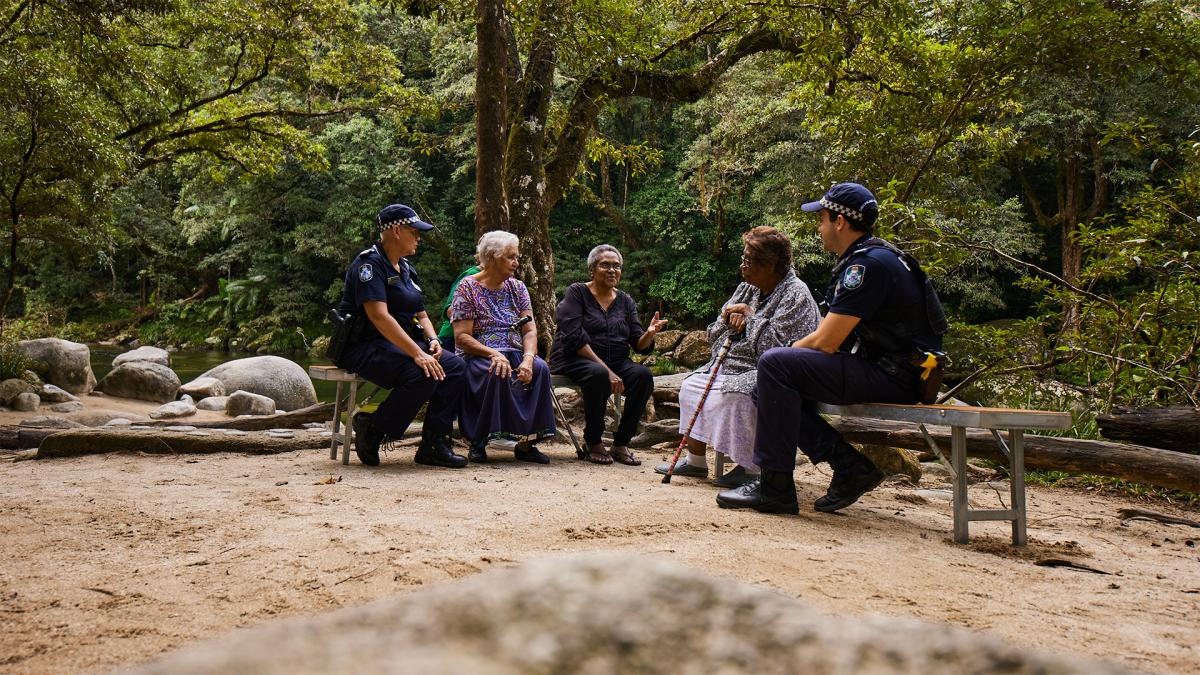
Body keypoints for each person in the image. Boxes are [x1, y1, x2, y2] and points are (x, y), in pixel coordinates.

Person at [717, 182, 947, 514]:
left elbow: (826, 340)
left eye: (822, 219)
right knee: (765, 385)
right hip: (890, 369)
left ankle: (776, 487)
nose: (819, 228)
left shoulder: (866, 267)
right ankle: (849, 466)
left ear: (839, 221)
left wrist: (787, 352)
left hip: (896, 374)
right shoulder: (870, 258)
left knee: (774, 365)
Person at [653, 226, 820, 487]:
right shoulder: (747, 288)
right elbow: (714, 334)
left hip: (772, 370)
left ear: (770, 264)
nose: (742, 266)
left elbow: (781, 347)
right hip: (733, 363)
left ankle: (750, 467)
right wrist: (725, 318)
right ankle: (696, 461)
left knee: (738, 394)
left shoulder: (796, 294)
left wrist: (751, 319)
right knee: (691, 386)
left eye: (748, 260)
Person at [333, 204, 468, 469]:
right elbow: (379, 317)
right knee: (422, 372)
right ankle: (373, 427)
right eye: (414, 232)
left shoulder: (407, 268)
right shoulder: (369, 265)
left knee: (455, 367)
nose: (418, 237)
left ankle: (433, 444)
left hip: (400, 344)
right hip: (365, 345)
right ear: (396, 231)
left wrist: (433, 341)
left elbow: (422, 314)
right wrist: (417, 354)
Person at [549, 244, 668, 465]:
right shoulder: (577, 293)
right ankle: (593, 440)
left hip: (616, 361)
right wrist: (608, 371)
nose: (612, 270)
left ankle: (621, 442)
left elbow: (639, 344)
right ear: (592, 270)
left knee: (642, 376)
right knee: (598, 374)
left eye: (617, 266)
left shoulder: (625, 301)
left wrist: (649, 333)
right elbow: (574, 338)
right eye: (605, 265)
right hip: (575, 358)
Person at [450, 231, 557, 464]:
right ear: (491, 257)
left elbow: (529, 329)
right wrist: (494, 353)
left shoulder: (518, 288)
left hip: (514, 349)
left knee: (540, 369)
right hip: (478, 352)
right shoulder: (466, 288)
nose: (516, 262)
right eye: (510, 257)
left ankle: (527, 444)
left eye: (516, 257)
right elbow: (462, 337)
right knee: (496, 370)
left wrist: (528, 358)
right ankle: (478, 442)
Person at [436, 264, 480, 353]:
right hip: (451, 338)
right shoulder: (472, 275)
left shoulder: (508, 280)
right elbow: (450, 310)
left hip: (477, 341)